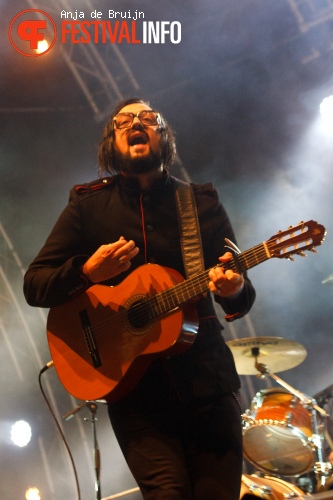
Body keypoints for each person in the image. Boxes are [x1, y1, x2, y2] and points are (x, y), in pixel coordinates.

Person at [23, 98, 256, 500]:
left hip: (207, 384)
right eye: (123, 121)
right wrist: (86, 273)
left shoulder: (200, 202)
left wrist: (234, 291)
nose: (136, 123)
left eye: (149, 119)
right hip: (137, 397)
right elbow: (35, 284)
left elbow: (240, 292)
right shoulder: (87, 204)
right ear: (110, 141)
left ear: (164, 136)